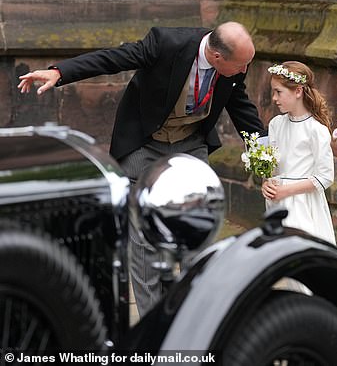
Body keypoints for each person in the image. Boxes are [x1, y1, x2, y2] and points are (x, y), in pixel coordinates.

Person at [17, 21, 264, 317]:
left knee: (199, 222)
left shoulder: (235, 65)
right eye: (241, 65)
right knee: (143, 235)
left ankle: (194, 311)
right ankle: (153, 319)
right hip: (146, 144)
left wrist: (263, 148)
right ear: (217, 57)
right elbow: (113, 59)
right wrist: (59, 72)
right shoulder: (166, 43)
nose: (244, 70)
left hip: (191, 143)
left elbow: (240, 106)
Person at [262, 61, 336, 244]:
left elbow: (325, 177)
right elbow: (272, 167)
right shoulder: (275, 124)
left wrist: (287, 190)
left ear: (298, 91)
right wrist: (266, 183)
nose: (274, 98)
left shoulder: (316, 130)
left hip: (304, 204)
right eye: (273, 91)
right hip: (277, 202)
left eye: (279, 92)